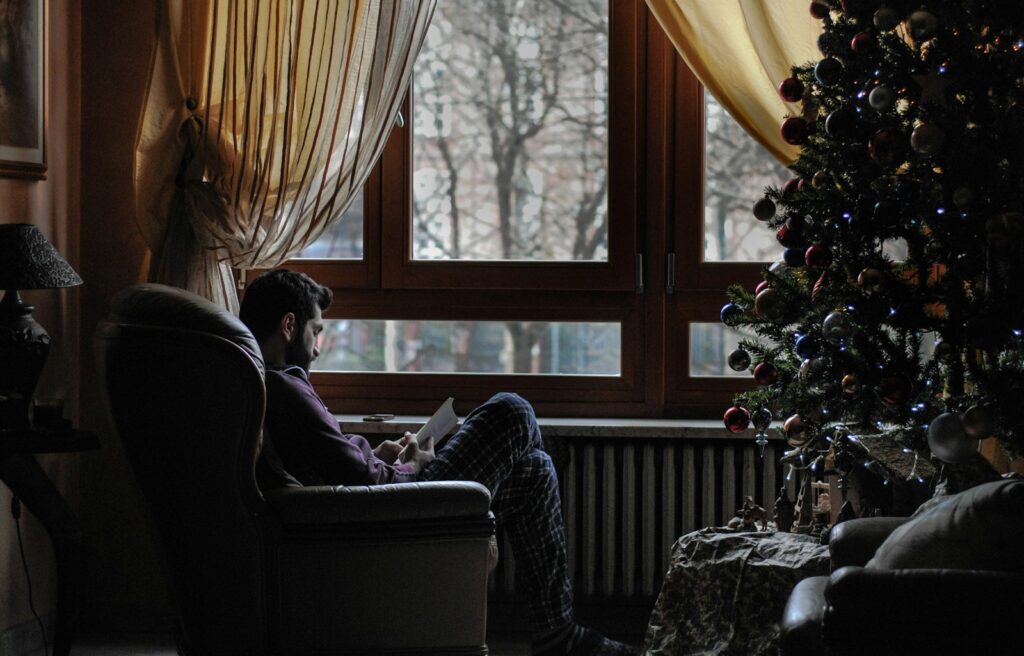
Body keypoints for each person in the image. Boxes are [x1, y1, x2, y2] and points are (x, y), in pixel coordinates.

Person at [239, 268, 636, 656]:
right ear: (289, 326)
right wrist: (416, 465)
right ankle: (559, 634)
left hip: (373, 503)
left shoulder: (271, 386)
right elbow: (358, 479)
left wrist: (378, 453)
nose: (318, 347)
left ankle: (556, 633)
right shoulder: (284, 388)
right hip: (388, 514)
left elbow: (335, 464)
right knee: (511, 410)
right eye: (316, 331)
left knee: (535, 471)